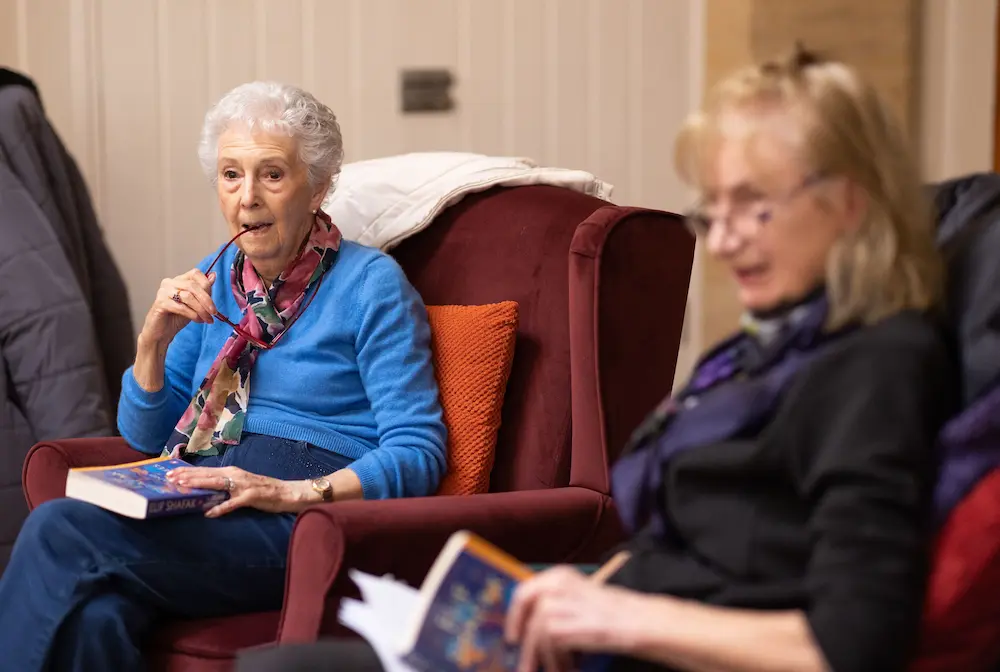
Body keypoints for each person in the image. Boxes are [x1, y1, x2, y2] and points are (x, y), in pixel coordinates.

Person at [237, 46, 960, 672]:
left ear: (850, 204)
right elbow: (687, 538)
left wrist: (610, 616)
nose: (728, 241)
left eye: (755, 206)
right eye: (715, 211)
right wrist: (573, 589)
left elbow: (851, 646)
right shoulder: (769, 348)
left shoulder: (876, 366)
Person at [0, 81, 448, 671]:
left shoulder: (372, 285)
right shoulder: (218, 281)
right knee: (95, 618)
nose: (248, 197)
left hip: (299, 520)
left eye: (272, 175)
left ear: (318, 186)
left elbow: (420, 450)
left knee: (61, 527)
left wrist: (294, 494)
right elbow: (145, 432)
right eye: (231, 175)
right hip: (200, 498)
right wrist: (152, 343)